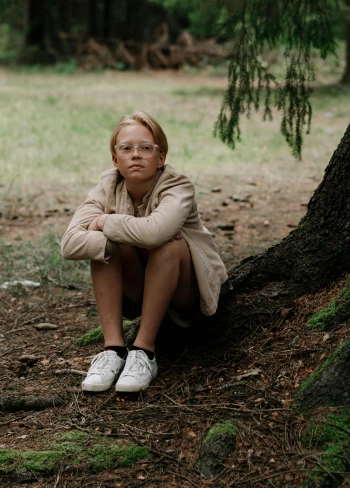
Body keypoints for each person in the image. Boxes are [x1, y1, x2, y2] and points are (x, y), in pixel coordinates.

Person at [60, 111, 228, 393]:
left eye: (146, 148)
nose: (135, 154)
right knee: (102, 246)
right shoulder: (107, 187)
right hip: (138, 288)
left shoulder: (178, 185)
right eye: (126, 148)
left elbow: (154, 234)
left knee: (168, 244)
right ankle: (113, 350)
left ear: (160, 157)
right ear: (115, 159)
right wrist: (115, 237)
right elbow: (69, 244)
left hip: (186, 294)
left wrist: (104, 222)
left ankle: (144, 352)